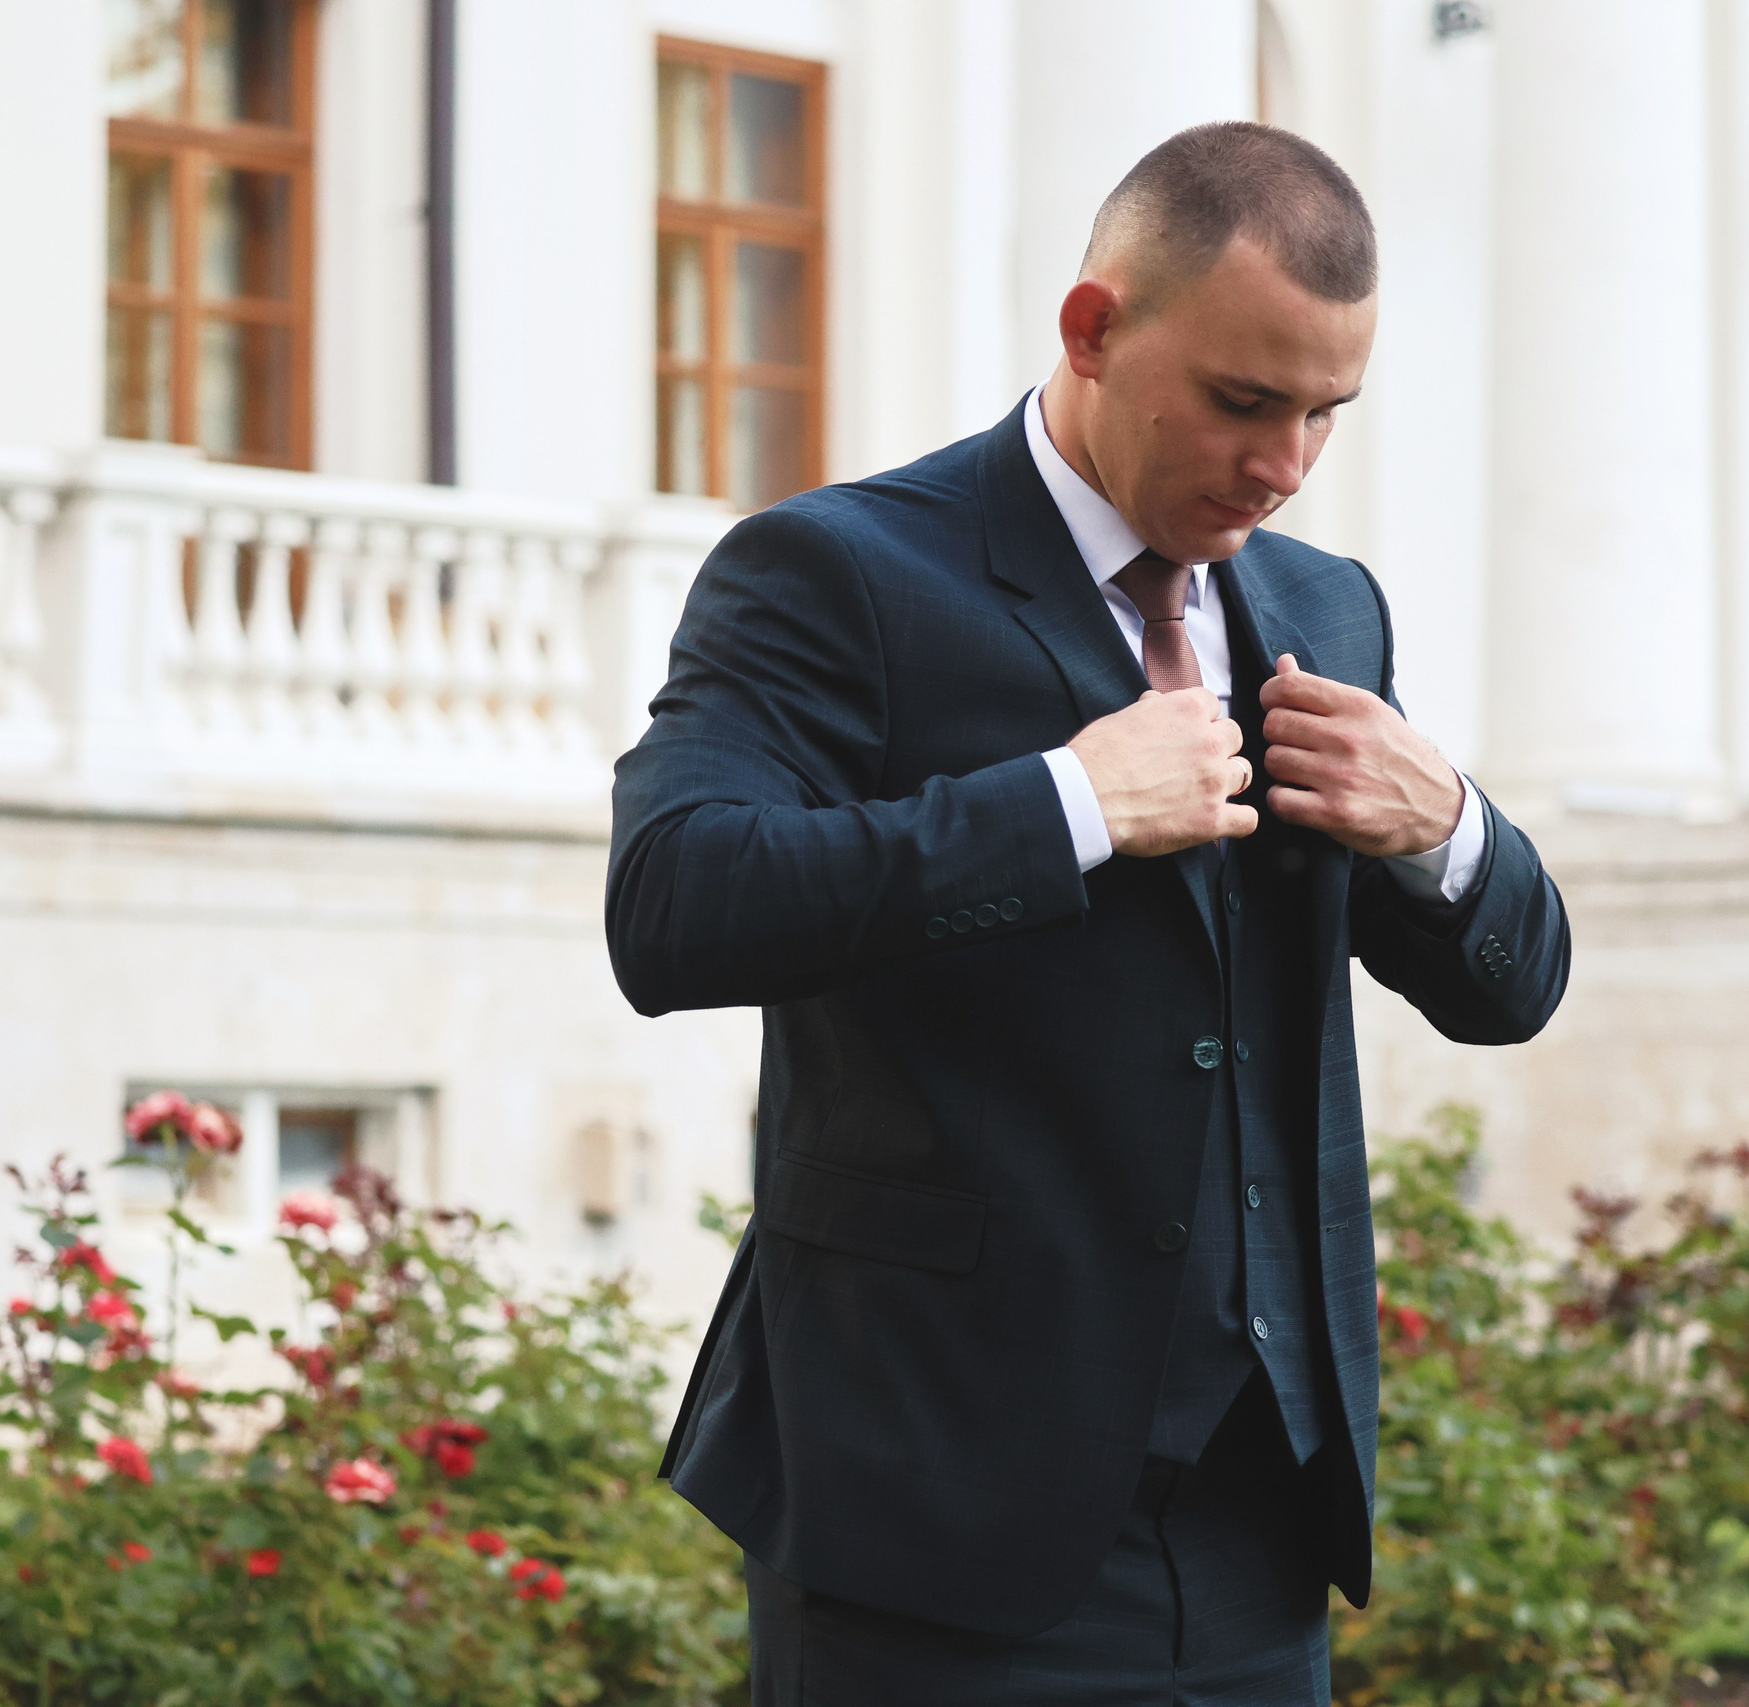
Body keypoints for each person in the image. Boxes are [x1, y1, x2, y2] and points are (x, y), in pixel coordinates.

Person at [606, 121, 1570, 1705]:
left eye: (1326, 414)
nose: (1282, 467)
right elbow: (673, 903)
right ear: (1094, 329)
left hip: (1263, 1519)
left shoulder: (1328, 608)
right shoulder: (831, 574)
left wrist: (1444, 825)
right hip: (935, 1521)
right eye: (1245, 403)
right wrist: (1066, 804)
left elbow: (1509, 990)